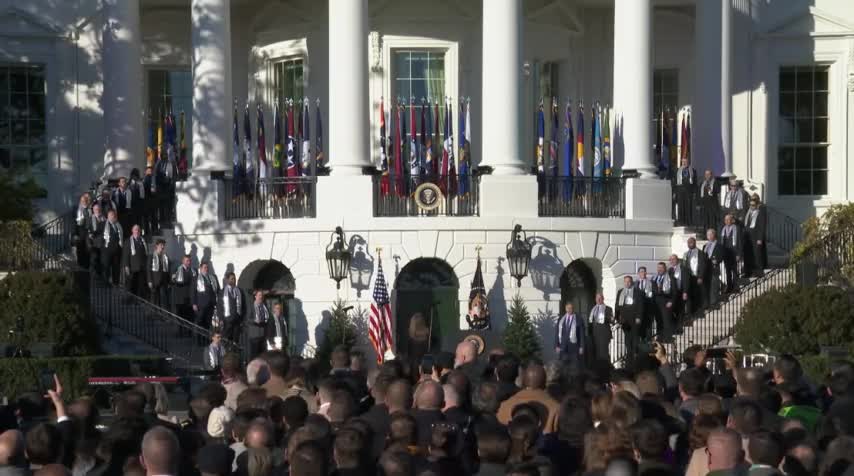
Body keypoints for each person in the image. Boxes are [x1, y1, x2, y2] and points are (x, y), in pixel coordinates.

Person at [616, 275, 644, 366]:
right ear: (624, 282)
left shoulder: (637, 292)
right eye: (625, 281)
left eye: (629, 281)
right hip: (625, 320)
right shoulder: (620, 292)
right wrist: (617, 318)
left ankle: (635, 357)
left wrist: (639, 317)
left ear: (631, 282)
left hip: (634, 319)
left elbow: (640, 305)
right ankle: (629, 357)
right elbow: (617, 306)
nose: (627, 283)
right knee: (627, 339)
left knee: (635, 338)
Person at [193, 261, 220, 341]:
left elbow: (217, 289)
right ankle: (199, 339)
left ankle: (206, 339)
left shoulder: (212, 277)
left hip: (211, 304)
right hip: (201, 304)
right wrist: (194, 303)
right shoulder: (196, 278)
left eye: (207, 267)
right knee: (200, 322)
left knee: (208, 323)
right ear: (200, 269)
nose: (206, 269)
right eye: (204, 267)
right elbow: (193, 292)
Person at [554, 302, 585, 367]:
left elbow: (582, 334)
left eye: (571, 308)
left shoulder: (579, 319)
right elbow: (557, 333)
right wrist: (556, 345)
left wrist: (581, 347)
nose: (569, 309)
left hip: (574, 346)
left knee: (574, 365)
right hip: (563, 346)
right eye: (568, 308)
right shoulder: (561, 318)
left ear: (573, 309)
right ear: (565, 309)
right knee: (562, 365)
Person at [652, 262, 677, 344]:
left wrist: (671, 301)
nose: (659, 269)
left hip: (666, 301)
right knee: (659, 320)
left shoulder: (670, 277)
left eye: (661, 268)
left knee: (666, 320)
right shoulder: (654, 278)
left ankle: (667, 337)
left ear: (665, 268)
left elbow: (674, 291)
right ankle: (660, 337)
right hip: (657, 303)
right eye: (658, 268)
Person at [684, 237, 708, 317]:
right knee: (690, 295)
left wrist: (700, 276)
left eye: (691, 242)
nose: (690, 244)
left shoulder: (700, 253)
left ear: (695, 243)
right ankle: (691, 312)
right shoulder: (686, 254)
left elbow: (702, 266)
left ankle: (700, 310)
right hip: (689, 277)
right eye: (688, 242)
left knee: (699, 293)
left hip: (697, 276)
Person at [744, 194, 767, 278]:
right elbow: (746, 224)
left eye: (753, 205)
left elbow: (762, 226)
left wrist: (760, 238)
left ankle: (759, 272)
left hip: (756, 237)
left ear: (757, 205)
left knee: (757, 255)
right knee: (749, 255)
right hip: (748, 237)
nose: (751, 206)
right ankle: (749, 271)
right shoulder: (748, 212)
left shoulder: (760, 213)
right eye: (750, 205)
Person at [122, 224, 148, 297]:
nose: (137, 231)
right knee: (131, 286)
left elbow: (145, 255)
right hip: (132, 268)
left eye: (138, 230)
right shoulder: (128, 241)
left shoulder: (143, 241)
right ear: (132, 231)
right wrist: (126, 266)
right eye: (136, 229)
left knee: (141, 286)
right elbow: (125, 255)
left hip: (141, 268)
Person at [587, 292, 613, 364]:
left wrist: (607, 318)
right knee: (596, 353)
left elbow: (610, 320)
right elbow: (590, 322)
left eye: (600, 298)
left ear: (603, 299)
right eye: (597, 298)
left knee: (604, 353)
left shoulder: (608, 309)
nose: (598, 300)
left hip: (604, 334)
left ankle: (606, 368)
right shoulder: (593, 309)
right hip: (595, 334)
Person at [172, 254, 197, 329]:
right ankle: (180, 331)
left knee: (189, 316)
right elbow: (173, 281)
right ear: (182, 261)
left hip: (190, 297)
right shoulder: (177, 269)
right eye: (187, 261)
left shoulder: (194, 270)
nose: (188, 262)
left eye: (189, 261)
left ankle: (188, 331)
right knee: (180, 316)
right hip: (180, 298)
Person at [721, 214, 743, 293]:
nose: (727, 221)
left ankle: (736, 286)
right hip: (727, 253)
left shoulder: (736, 228)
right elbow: (722, 242)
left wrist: (739, 254)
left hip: (734, 252)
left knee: (735, 270)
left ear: (732, 220)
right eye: (725, 220)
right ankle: (729, 286)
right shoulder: (723, 229)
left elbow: (740, 242)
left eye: (728, 219)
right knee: (727, 271)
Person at [669, 254, 692, 330]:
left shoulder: (683, 268)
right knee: (675, 310)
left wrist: (685, 292)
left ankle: (680, 326)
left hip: (682, 291)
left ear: (677, 260)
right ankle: (676, 327)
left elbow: (686, 281)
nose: (672, 261)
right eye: (671, 260)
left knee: (681, 310)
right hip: (674, 293)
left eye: (674, 259)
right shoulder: (670, 270)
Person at [155, 152, 177, 228]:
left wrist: (171, 185)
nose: (165, 157)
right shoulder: (158, 164)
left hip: (169, 189)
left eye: (166, 155)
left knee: (168, 207)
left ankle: (168, 221)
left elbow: (174, 176)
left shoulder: (171, 164)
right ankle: (162, 222)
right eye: (163, 155)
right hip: (161, 189)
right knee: (161, 208)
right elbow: (156, 176)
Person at [221, 272, 244, 344]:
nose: (234, 280)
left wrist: (242, 318)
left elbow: (243, 306)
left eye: (234, 279)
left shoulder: (239, 291)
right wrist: (221, 318)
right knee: (226, 340)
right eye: (232, 279)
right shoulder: (222, 292)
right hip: (227, 319)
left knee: (235, 341)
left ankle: (234, 354)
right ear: (227, 280)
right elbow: (219, 306)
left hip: (237, 319)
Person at [673, 158, 697, 226]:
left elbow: (695, 182)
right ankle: (681, 221)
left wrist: (694, 192)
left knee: (688, 206)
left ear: (688, 162)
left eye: (685, 161)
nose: (684, 163)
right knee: (681, 206)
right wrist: (675, 192)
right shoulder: (677, 170)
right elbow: (675, 182)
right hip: (680, 191)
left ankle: (689, 222)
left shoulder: (693, 171)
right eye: (683, 162)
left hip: (689, 191)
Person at [101, 209, 123, 285]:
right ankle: (105, 285)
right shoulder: (103, 224)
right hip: (106, 251)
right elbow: (99, 236)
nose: (112, 217)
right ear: (108, 216)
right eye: (110, 215)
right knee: (106, 269)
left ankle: (115, 285)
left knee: (116, 270)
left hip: (116, 251)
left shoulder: (118, 225)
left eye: (113, 215)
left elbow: (121, 237)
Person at [246, 290, 269, 360]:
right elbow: (247, 319)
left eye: (262, 295)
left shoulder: (264, 307)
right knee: (254, 355)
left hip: (262, 334)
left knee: (262, 355)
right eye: (259, 295)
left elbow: (267, 318)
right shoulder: (251, 306)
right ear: (255, 296)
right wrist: (254, 321)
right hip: (254, 335)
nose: (261, 297)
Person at [148, 239, 170, 309]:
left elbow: (167, 270)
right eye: (161, 245)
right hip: (154, 281)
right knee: (154, 299)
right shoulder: (151, 256)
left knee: (163, 299)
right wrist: (150, 281)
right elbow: (148, 270)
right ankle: (152, 314)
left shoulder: (165, 257)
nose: (162, 247)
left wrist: (168, 281)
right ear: (156, 246)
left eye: (163, 245)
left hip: (163, 281)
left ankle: (163, 315)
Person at [704, 228, 724, 308]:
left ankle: (714, 303)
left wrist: (716, 260)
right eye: (707, 234)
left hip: (714, 268)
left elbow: (721, 256)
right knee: (707, 286)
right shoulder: (705, 246)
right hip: (706, 269)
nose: (708, 236)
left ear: (714, 235)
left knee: (714, 285)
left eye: (710, 234)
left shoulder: (719, 245)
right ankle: (707, 303)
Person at [635, 267, 655, 339]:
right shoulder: (635, 283)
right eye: (641, 272)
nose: (642, 273)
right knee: (639, 328)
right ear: (638, 273)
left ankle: (648, 343)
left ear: (646, 273)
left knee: (648, 327)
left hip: (648, 307)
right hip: (639, 309)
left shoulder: (651, 282)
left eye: (644, 272)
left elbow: (654, 294)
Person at [87, 203, 106, 276]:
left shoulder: (104, 219)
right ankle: (92, 277)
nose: (97, 211)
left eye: (98, 209)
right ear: (93, 210)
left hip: (102, 243)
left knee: (101, 262)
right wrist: (89, 243)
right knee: (93, 261)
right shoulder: (90, 219)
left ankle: (100, 277)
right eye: (96, 209)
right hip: (94, 244)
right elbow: (88, 232)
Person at [74, 193, 92, 269]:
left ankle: (86, 264)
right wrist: (75, 233)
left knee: (87, 248)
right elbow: (75, 222)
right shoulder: (78, 210)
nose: (83, 202)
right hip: (80, 230)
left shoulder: (89, 209)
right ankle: (80, 264)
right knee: (80, 247)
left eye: (84, 200)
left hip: (87, 230)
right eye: (82, 200)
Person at [142, 166, 158, 235]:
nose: (150, 172)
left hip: (152, 201)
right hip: (147, 201)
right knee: (148, 217)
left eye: (151, 171)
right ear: (145, 172)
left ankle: (152, 231)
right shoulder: (145, 179)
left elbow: (154, 189)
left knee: (153, 216)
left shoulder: (153, 179)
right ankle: (148, 232)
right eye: (148, 171)